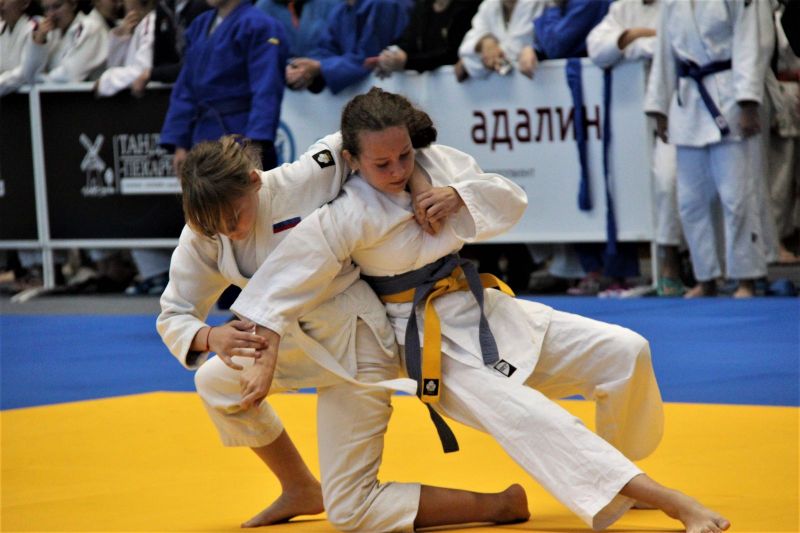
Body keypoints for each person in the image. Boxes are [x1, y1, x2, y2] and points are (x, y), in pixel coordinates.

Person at [231, 87, 731, 533]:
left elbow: (510, 200)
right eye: (382, 164)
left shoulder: (437, 166)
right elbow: (285, 278)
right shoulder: (345, 214)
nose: (398, 171)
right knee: (532, 418)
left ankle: (621, 477)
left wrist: (458, 195)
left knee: (624, 352)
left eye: (404, 156)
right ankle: (669, 500)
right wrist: (267, 345)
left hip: (483, 310)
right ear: (352, 160)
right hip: (429, 344)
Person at [158, 134, 531, 530]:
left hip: (356, 338)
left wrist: (421, 183)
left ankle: (498, 505)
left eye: (234, 217)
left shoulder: (302, 178)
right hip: (290, 338)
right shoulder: (204, 232)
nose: (227, 230)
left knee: (352, 511)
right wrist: (210, 337)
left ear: (254, 181)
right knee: (216, 383)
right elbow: (175, 311)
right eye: (213, 226)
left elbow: (373, 133)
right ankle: (300, 488)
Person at [645, 0, 771, 298]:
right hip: (687, 104)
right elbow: (664, 54)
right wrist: (660, 107)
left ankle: (745, 277)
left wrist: (748, 100)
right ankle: (706, 276)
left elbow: (749, 43)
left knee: (736, 197)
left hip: (728, 98)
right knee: (690, 202)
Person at [586, 0, 686, 296]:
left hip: (689, 103)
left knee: (697, 189)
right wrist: (633, 35)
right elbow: (597, 49)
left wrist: (634, 44)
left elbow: (677, 46)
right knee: (664, 185)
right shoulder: (623, 7)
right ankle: (670, 263)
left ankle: (717, 271)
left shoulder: (678, 4)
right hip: (644, 117)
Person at [284, 0, 411, 94]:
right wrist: (302, 68)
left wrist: (319, 67)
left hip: (386, 95)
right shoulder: (341, 10)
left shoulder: (384, 4)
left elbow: (369, 59)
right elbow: (325, 48)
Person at [373, 0, 481, 76]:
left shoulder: (469, 7)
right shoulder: (423, 5)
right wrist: (392, 55)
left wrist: (408, 61)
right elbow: (409, 40)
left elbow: (452, 54)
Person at [128, 0, 209, 95]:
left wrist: (152, 74)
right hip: (175, 88)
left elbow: (197, 63)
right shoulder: (164, 7)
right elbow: (161, 58)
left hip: (201, 89)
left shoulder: (203, 8)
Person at [21, 0, 110, 83]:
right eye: (46, 9)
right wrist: (39, 42)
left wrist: (37, 80)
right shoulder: (52, 34)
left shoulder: (91, 27)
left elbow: (70, 75)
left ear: (73, 4)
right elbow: (29, 73)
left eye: (57, 6)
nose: (51, 14)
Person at [455, 0, 546, 81]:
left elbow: (515, 51)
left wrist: (469, 63)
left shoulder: (538, 3)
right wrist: (484, 42)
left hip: (539, 83)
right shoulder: (488, 5)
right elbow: (465, 46)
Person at [95, 0, 156, 96]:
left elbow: (143, 71)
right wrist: (120, 37)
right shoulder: (134, 27)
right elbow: (114, 66)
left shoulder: (150, 22)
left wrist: (106, 80)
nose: (121, 3)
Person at [255, 0, 338, 59]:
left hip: (325, 70)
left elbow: (338, 46)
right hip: (282, 72)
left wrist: (318, 66)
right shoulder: (264, 7)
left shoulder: (330, 4)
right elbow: (264, 44)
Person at [0, 0, 35, 96]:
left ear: (25, 3)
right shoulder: (1, 29)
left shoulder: (34, 28)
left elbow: (25, 73)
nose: (1, 2)